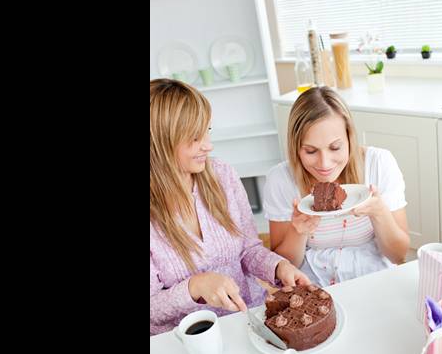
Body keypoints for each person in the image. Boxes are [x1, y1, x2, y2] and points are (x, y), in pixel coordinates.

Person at [150, 79, 309, 335]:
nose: (208, 145)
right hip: (187, 340)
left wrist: (279, 267)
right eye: (194, 138)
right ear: (159, 144)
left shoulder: (222, 175)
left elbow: (248, 250)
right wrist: (195, 287)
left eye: (207, 131)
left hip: (249, 319)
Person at [263, 86, 410, 287]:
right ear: (295, 146)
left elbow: (398, 255)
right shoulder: (280, 179)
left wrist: (380, 213)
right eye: (311, 151)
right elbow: (284, 269)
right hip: (314, 284)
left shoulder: (379, 163)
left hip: (373, 277)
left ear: (350, 138)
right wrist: (298, 231)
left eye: (335, 147)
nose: (324, 164)